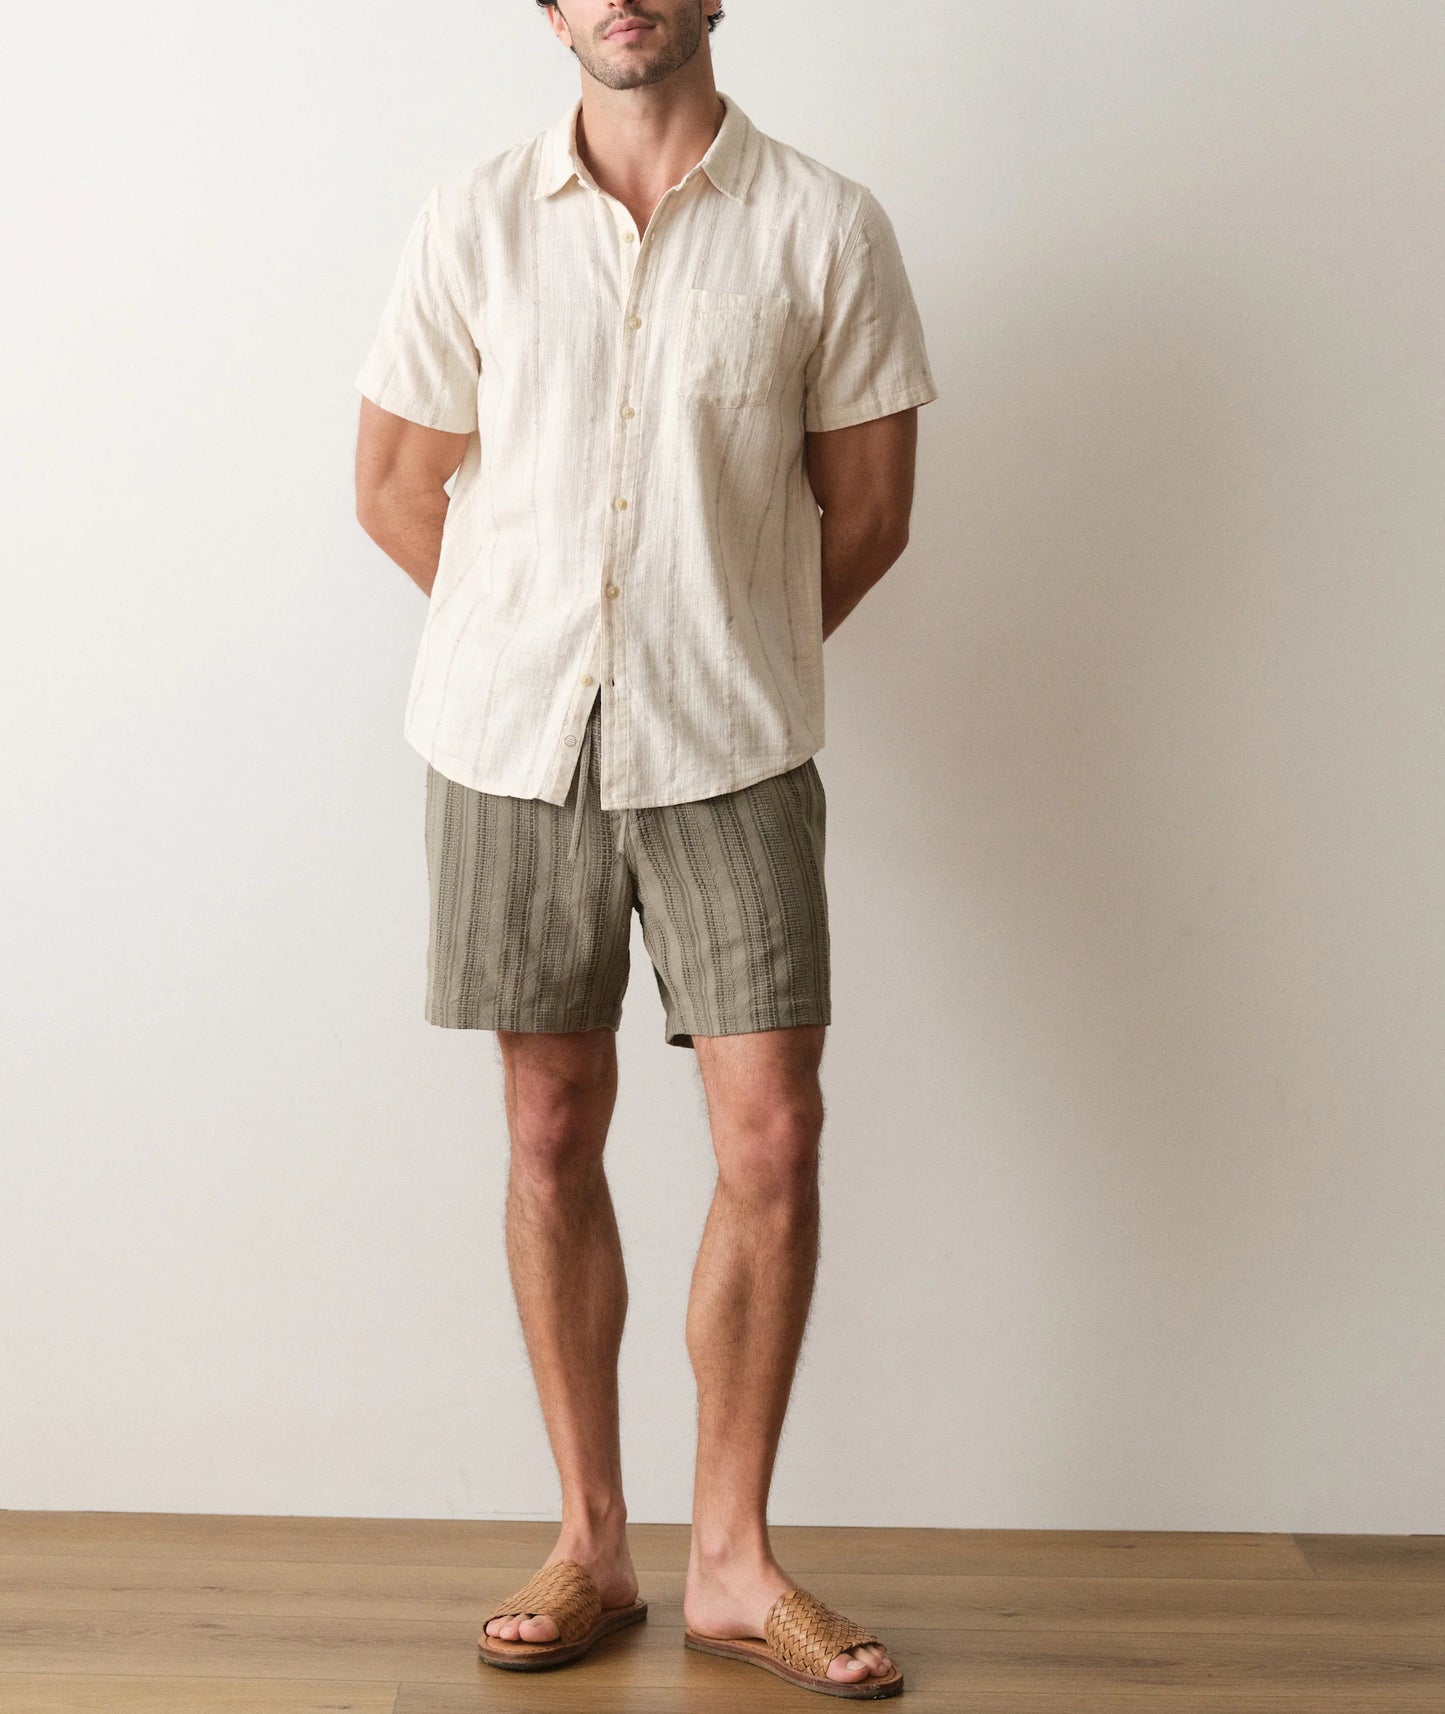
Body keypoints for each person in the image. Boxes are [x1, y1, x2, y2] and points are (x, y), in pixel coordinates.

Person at [353, 0, 938, 1697]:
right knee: (548, 1122)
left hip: (731, 748)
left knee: (773, 1131)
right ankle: (592, 1537)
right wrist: (540, 643)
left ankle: (736, 1564)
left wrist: (718, 653)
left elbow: (876, 506)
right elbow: (396, 482)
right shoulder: (470, 220)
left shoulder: (823, 226)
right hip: (507, 742)